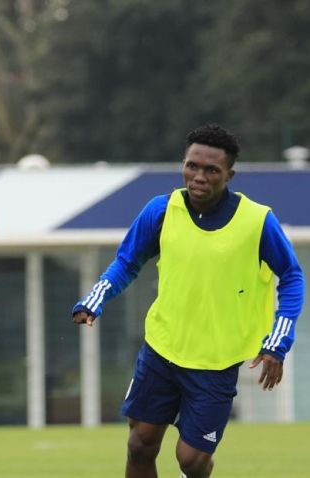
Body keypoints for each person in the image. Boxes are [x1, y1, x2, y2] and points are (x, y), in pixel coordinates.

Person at [72, 124, 304, 478]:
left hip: (217, 361)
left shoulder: (258, 221)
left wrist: (277, 344)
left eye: (211, 170)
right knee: (139, 444)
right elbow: (127, 262)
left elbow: (292, 277)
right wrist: (95, 299)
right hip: (162, 350)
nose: (199, 176)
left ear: (229, 174)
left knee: (192, 460)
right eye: (192, 166)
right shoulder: (161, 211)